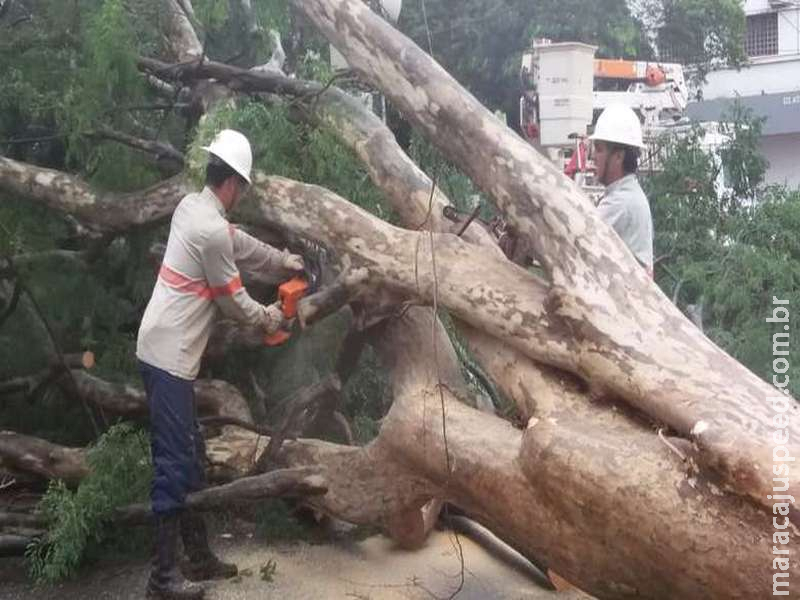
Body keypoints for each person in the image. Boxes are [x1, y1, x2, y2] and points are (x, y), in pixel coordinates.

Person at [136, 129, 304, 599]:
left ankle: (198, 556)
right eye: (244, 187)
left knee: (192, 457)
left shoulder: (194, 207)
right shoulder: (209, 229)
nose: (243, 194)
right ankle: (161, 580)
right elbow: (234, 300)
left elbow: (241, 246)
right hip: (168, 358)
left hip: (166, 352)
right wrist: (273, 316)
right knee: (174, 463)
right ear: (233, 184)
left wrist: (283, 262)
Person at [590, 104, 654, 277]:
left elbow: (579, 240)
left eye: (599, 149)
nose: (593, 156)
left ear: (618, 156)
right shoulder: (628, 195)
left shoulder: (621, 202)